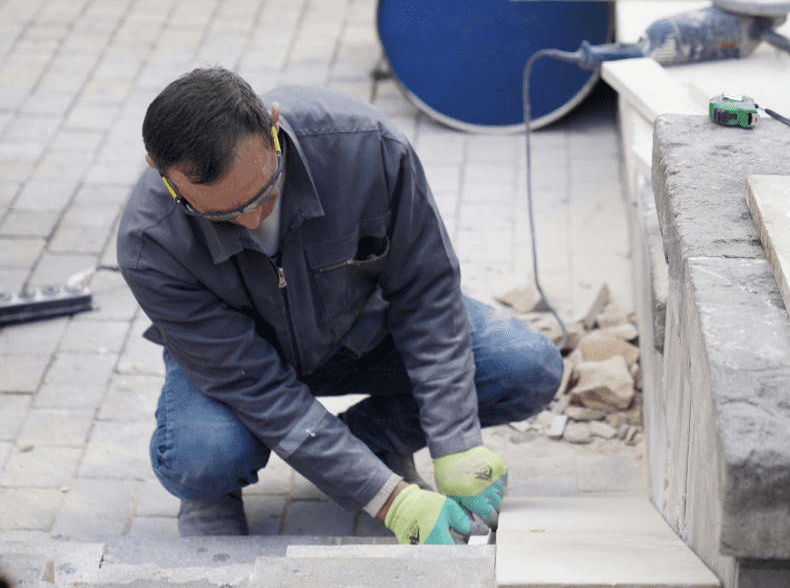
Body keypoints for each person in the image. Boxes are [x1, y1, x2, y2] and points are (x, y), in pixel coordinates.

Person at [117, 66, 562, 543]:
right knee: (202, 457)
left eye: (264, 192)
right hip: (239, 366)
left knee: (526, 366)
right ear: (158, 170)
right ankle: (214, 493)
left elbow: (427, 294)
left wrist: (456, 444)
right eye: (220, 213)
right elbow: (258, 388)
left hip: (363, 334)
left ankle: (371, 441)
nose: (250, 220)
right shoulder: (150, 242)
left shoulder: (366, 148)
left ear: (273, 124)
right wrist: (389, 499)